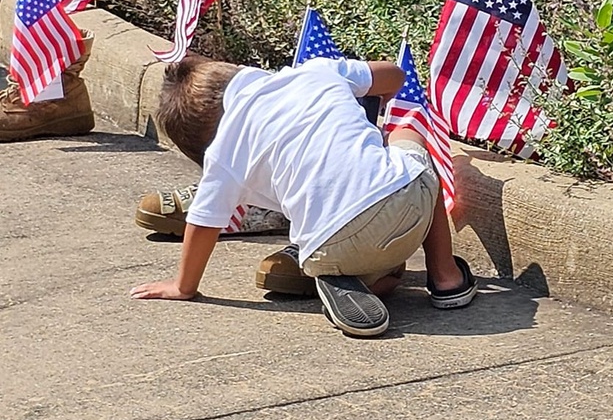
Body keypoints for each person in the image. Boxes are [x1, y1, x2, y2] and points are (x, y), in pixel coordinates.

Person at [130, 52, 477, 337]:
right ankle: (446, 276)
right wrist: (377, 100)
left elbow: (203, 222)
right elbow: (394, 75)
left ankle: (358, 279)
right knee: (407, 136)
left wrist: (183, 286)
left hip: (329, 247)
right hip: (409, 207)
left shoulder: (224, 152)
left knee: (335, 241)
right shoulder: (316, 71)